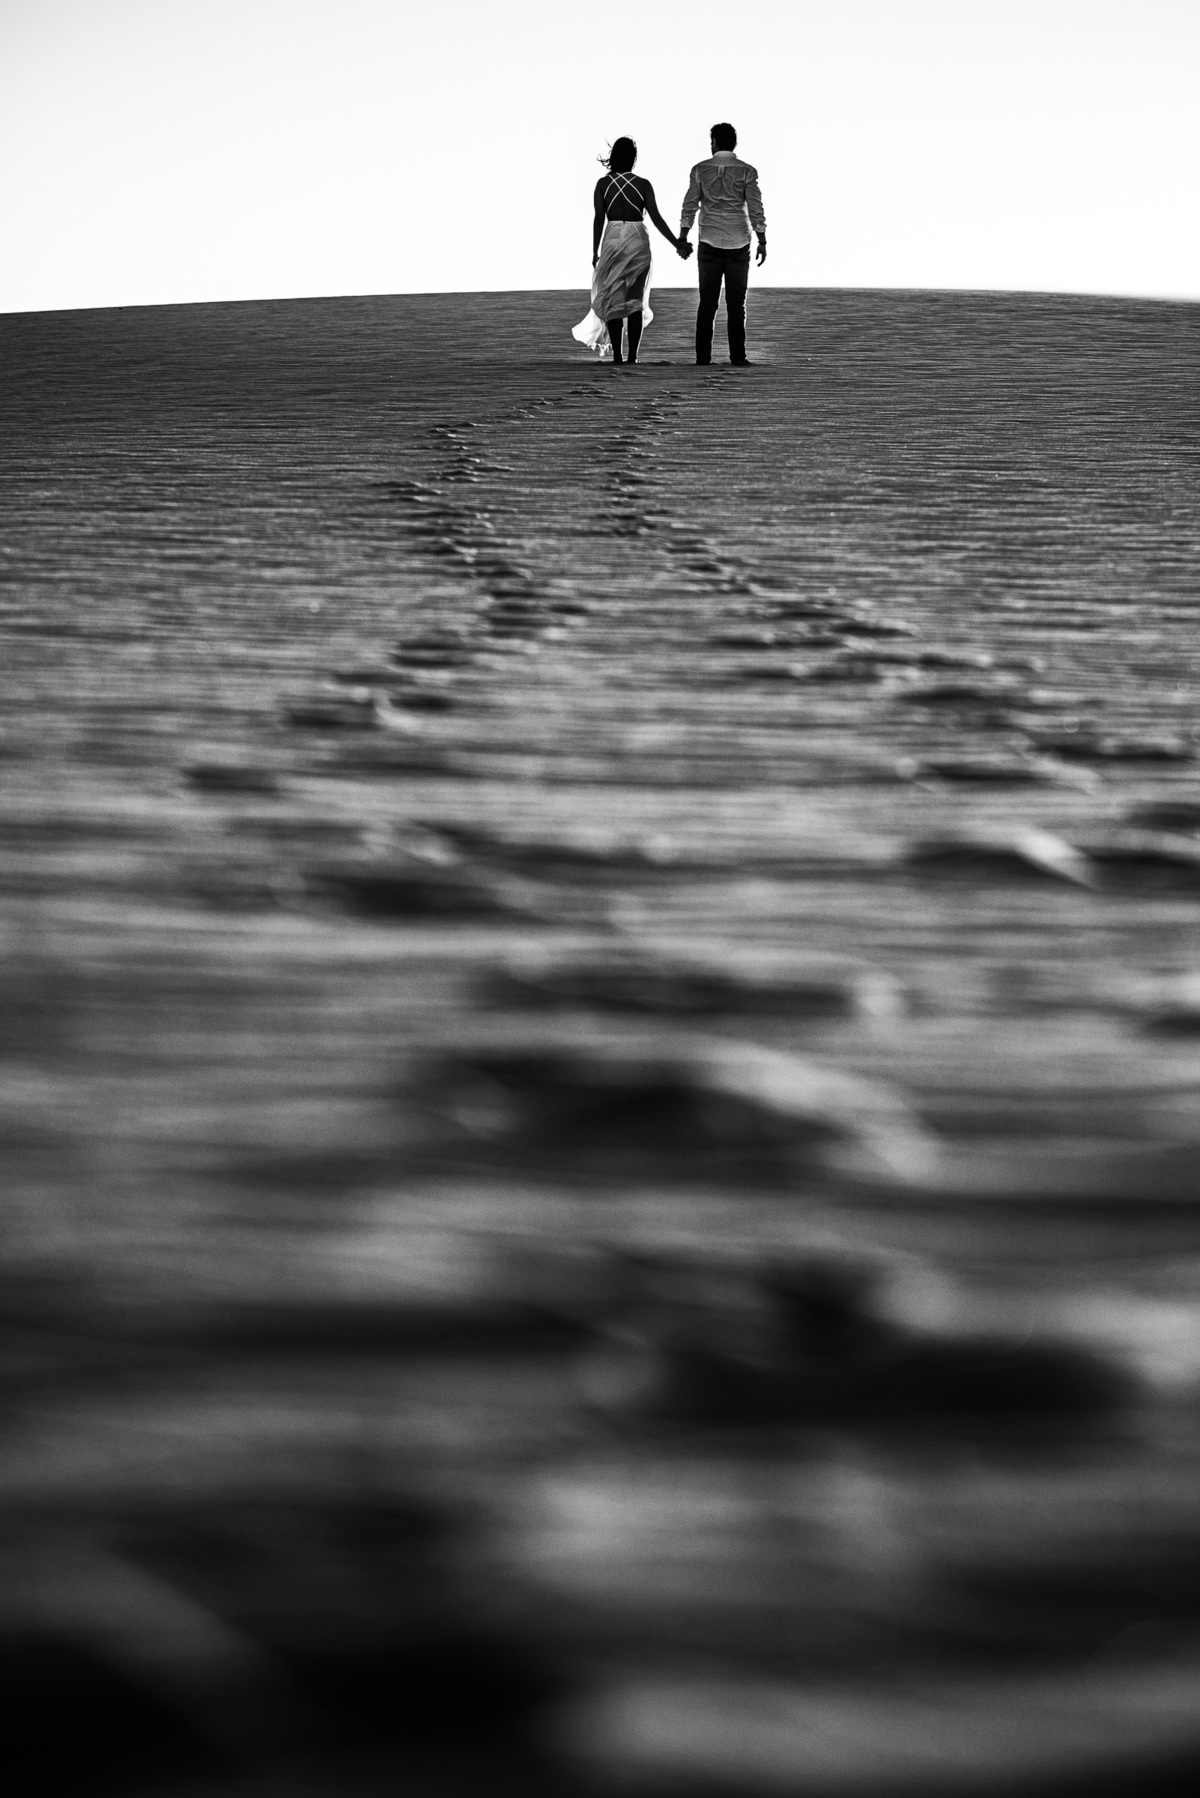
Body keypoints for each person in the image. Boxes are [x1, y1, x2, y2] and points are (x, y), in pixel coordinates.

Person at [573, 137, 692, 365]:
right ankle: (633, 357)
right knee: (635, 299)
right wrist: (677, 244)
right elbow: (656, 218)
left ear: (613, 157)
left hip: (612, 238)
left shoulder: (602, 185)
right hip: (638, 239)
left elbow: (599, 219)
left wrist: (595, 250)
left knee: (614, 299)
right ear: (633, 159)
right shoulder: (643, 184)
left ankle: (617, 355)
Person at [678, 123, 767, 366]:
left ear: (714, 143)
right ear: (734, 143)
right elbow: (755, 208)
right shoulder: (748, 171)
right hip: (739, 242)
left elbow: (690, 205)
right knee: (737, 303)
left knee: (708, 302)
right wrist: (762, 240)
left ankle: (703, 358)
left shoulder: (699, 170)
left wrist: (683, 235)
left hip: (709, 242)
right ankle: (738, 356)